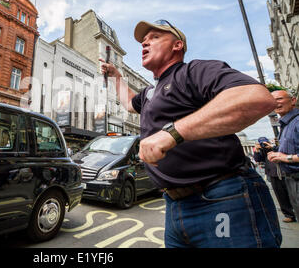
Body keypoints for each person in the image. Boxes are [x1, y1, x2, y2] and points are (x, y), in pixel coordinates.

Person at [99, 19, 281, 248]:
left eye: (155, 37)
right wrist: (116, 75)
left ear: (177, 45)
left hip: (223, 198)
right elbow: (127, 103)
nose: (145, 43)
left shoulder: (194, 71)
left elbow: (256, 98)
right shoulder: (148, 93)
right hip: (175, 206)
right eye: (143, 41)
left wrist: (172, 133)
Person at [267, 89, 299, 221]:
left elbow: (287, 155)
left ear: (293, 100)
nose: (276, 103)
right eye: (272, 101)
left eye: (279, 99)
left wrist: (285, 158)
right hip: (291, 180)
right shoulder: (286, 125)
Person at [254, 136, 296, 223]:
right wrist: (257, 150)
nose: (264, 145)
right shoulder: (262, 152)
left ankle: (295, 211)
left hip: (285, 173)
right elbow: (257, 159)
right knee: (281, 196)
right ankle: (289, 215)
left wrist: (272, 147)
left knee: (293, 194)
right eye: (262, 143)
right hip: (273, 175)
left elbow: (284, 152)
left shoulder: (276, 147)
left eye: (265, 143)